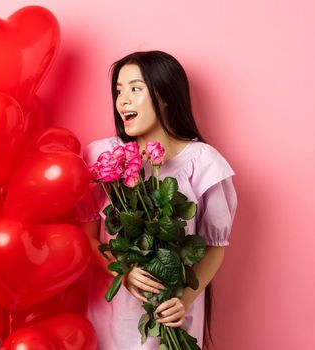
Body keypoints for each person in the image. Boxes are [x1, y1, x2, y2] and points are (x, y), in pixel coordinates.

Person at [76, 50, 237, 349]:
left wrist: (183, 301)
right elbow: (86, 237)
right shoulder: (101, 157)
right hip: (113, 318)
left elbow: (215, 248)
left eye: (135, 89)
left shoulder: (203, 163)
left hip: (172, 318)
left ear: (164, 96)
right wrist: (123, 272)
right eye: (119, 91)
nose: (123, 100)